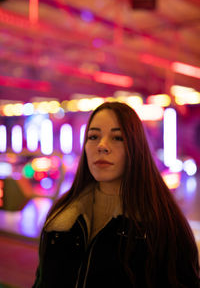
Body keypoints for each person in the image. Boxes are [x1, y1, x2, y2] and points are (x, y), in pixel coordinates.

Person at [33, 101, 200, 288]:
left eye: (117, 138)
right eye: (93, 136)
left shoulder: (162, 225)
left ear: (136, 148)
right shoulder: (61, 217)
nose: (102, 146)